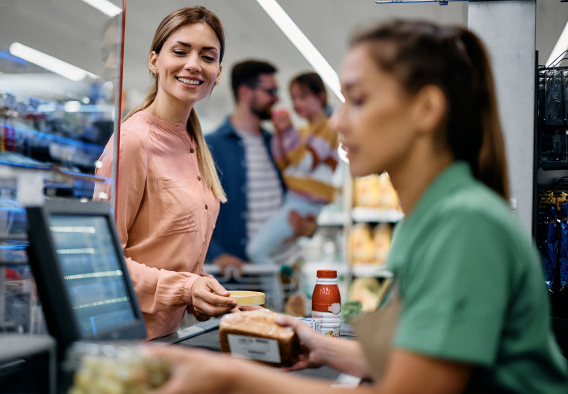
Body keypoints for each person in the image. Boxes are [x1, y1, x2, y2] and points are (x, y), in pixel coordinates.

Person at [147, 19, 568, 393]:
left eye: (358, 99)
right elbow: (416, 356)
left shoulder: (464, 224)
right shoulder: (433, 217)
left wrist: (230, 380)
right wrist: (319, 345)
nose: (339, 122)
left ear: (426, 109)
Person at [93, 6, 237, 341]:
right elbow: (102, 262)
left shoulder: (193, 144)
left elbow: (173, 257)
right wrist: (187, 288)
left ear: (217, 72)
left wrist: (208, 296)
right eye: (180, 51)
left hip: (169, 340)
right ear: (154, 61)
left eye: (207, 56)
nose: (193, 64)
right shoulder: (132, 142)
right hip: (126, 343)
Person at [205, 60, 317, 276]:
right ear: (246, 93)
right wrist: (215, 254)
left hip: (285, 273)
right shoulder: (210, 147)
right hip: (241, 281)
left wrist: (310, 227)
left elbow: (302, 194)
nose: (276, 99)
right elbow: (192, 213)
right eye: (271, 91)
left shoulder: (277, 143)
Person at [246, 72, 340, 267]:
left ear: (321, 96)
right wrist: (281, 135)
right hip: (295, 200)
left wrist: (287, 133)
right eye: (294, 98)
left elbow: (306, 163)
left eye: (303, 96)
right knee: (268, 250)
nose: (297, 103)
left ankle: (272, 295)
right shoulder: (302, 132)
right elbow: (283, 163)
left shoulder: (329, 129)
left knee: (257, 250)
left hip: (303, 202)